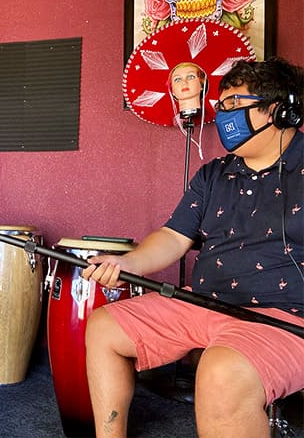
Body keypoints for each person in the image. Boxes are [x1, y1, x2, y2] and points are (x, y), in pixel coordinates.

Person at [82, 56, 304, 437]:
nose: (223, 116)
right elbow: (174, 236)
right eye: (223, 105)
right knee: (104, 327)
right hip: (205, 301)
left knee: (220, 371)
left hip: (285, 318)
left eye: (236, 105)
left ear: (280, 110)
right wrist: (131, 263)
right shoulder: (214, 173)